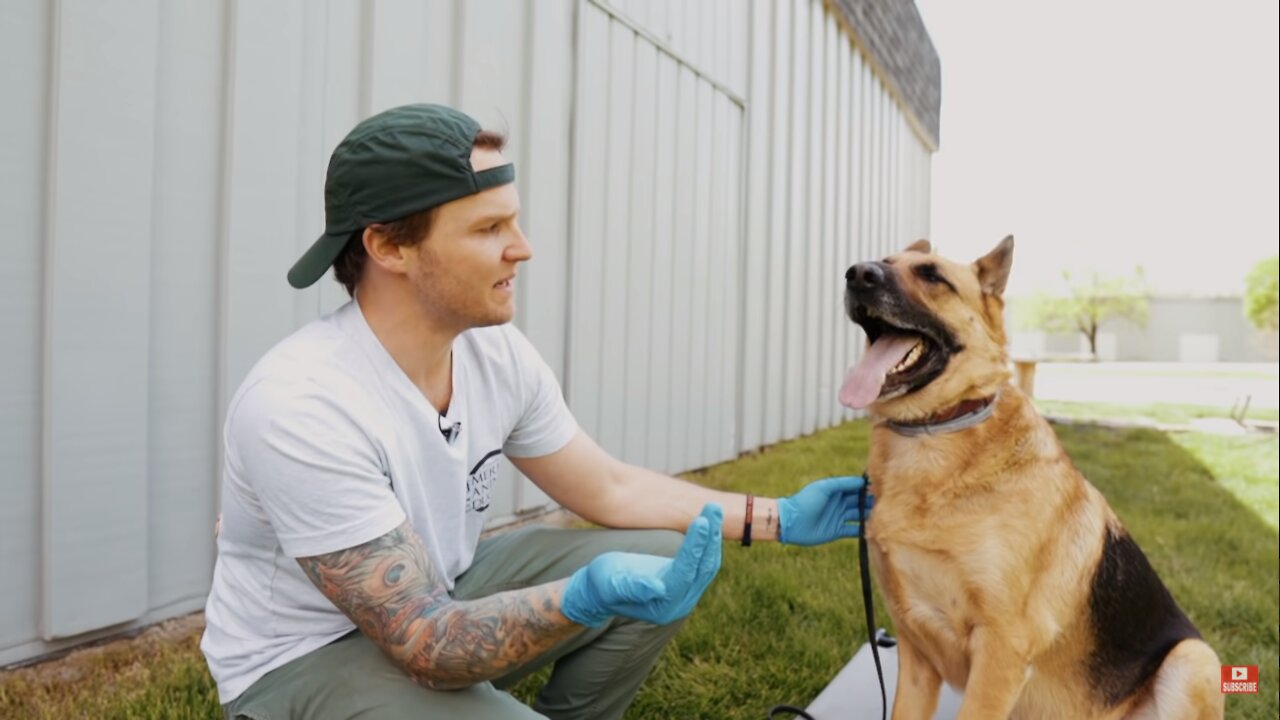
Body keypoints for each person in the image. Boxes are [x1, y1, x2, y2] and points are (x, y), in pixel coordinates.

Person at [200, 103, 872, 720]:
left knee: (656, 549)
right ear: (389, 247)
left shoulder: (496, 354)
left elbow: (608, 488)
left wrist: (777, 517)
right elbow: (424, 641)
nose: (522, 247)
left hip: (437, 597)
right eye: (491, 228)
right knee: (601, 587)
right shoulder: (301, 405)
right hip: (303, 662)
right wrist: (581, 596)